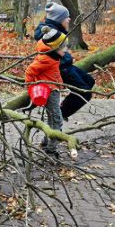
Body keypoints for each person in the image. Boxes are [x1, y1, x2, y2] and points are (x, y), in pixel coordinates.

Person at [34, 2, 95, 120]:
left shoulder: (55, 30)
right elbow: (50, 51)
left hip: (66, 65)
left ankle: (62, 108)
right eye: (66, 17)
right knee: (85, 93)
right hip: (61, 68)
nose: (69, 19)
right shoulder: (50, 33)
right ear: (59, 19)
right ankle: (60, 115)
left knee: (89, 80)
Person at [25, 26, 68, 157]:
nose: (66, 50)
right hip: (50, 93)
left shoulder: (53, 57)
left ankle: (46, 141)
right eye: (63, 47)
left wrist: (61, 84)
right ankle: (51, 148)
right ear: (54, 48)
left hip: (54, 90)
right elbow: (29, 72)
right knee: (56, 121)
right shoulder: (46, 59)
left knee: (52, 119)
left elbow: (54, 74)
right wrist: (31, 89)